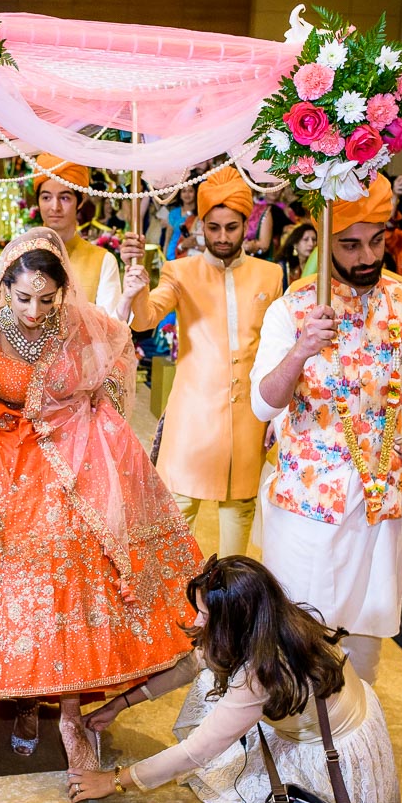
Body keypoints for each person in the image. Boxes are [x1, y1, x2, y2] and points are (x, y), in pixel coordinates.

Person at [0, 227, 202, 769]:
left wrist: (98, 415)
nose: (34, 311)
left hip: (70, 466)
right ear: (3, 287)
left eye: (46, 299)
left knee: (71, 583)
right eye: (23, 297)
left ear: (62, 294)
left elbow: (120, 346)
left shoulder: (78, 326)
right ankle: (26, 699)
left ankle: (72, 715)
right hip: (1, 471)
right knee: (14, 592)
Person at [251, 176, 402, 684]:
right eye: (350, 244)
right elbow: (260, 403)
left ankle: (351, 757)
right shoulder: (291, 309)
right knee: (295, 641)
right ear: (321, 238)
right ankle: (294, 756)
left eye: (377, 241)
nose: (366, 256)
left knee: (363, 654)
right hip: (305, 505)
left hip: (384, 503)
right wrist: (300, 350)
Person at [71, 555, 402, 803]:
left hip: (327, 751)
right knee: (207, 683)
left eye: (205, 615)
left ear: (235, 621)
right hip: (343, 717)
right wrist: (120, 704)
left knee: (212, 721)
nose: (196, 621)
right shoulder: (276, 620)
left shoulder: (260, 673)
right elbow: (193, 664)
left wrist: (116, 780)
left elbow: (195, 752)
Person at [122, 167, 283, 558]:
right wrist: (136, 286)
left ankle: (228, 612)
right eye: (214, 227)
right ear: (202, 226)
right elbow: (145, 319)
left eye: (231, 227)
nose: (223, 237)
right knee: (175, 523)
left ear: (246, 224)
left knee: (240, 514)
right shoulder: (180, 272)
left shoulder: (271, 274)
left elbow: (278, 349)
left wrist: (278, 415)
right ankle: (171, 611)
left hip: (249, 417)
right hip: (192, 419)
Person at [33, 153, 138, 314]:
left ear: (80, 201)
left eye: (65, 198)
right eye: (46, 197)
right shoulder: (20, 255)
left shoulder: (102, 260)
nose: (55, 207)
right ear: (38, 201)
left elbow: (112, 327)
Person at [274, 222, 317, 287]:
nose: (311, 244)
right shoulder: (283, 266)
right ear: (295, 243)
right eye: (306, 239)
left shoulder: (319, 265)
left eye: (314, 240)